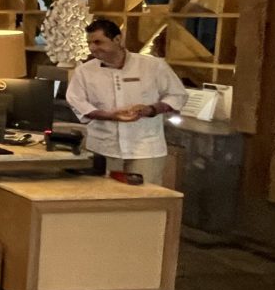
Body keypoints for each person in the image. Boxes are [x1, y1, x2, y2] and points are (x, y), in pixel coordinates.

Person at [65, 18, 187, 185]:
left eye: (98, 42)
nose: (93, 48)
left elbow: (177, 95)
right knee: (103, 199)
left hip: (145, 148)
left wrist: (151, 109)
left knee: (145, 199)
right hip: (103, 148)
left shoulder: (153, 66)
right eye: (90, 43)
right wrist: (109, 115)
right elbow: (76, 101)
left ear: (117, 39)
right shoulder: (84, 71)